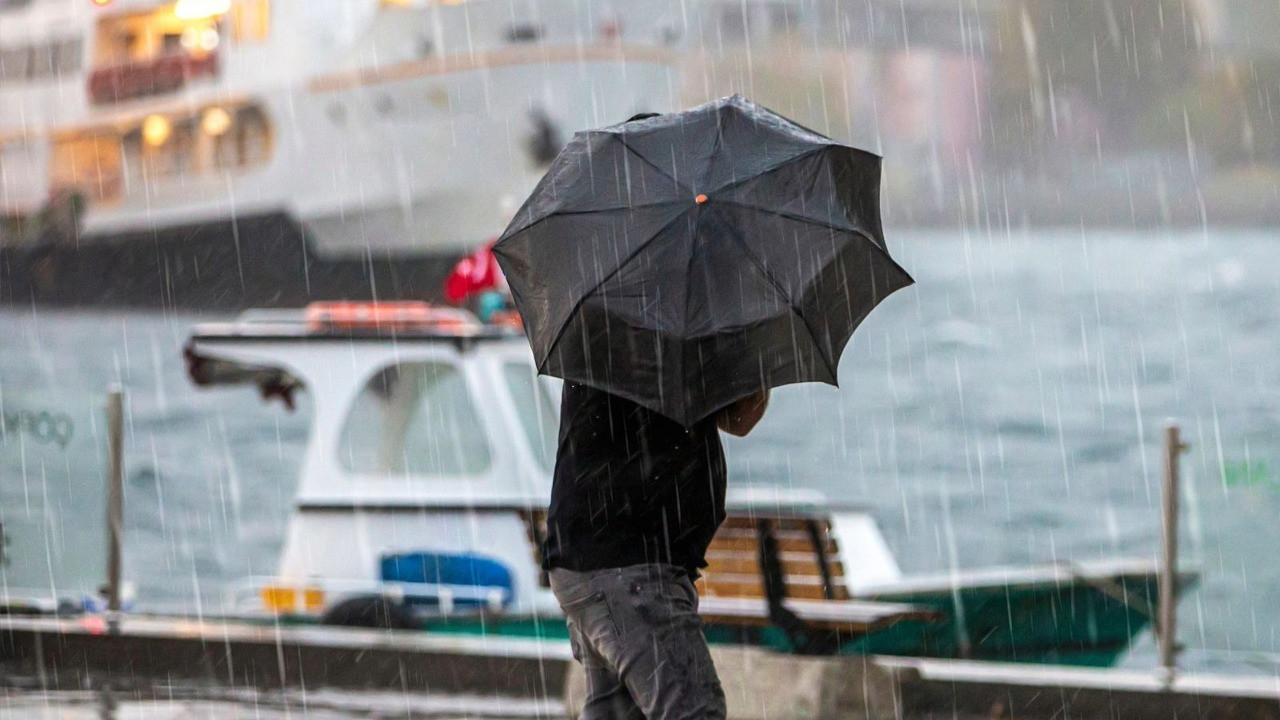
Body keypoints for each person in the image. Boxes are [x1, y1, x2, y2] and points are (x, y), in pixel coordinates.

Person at [543, 384, 770, 720]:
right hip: (628, 565)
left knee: (620, 713)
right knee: (693, 710)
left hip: (601, 559)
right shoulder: (647, 341)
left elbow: (737, 418)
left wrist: (755, 365)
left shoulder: (647, 343)